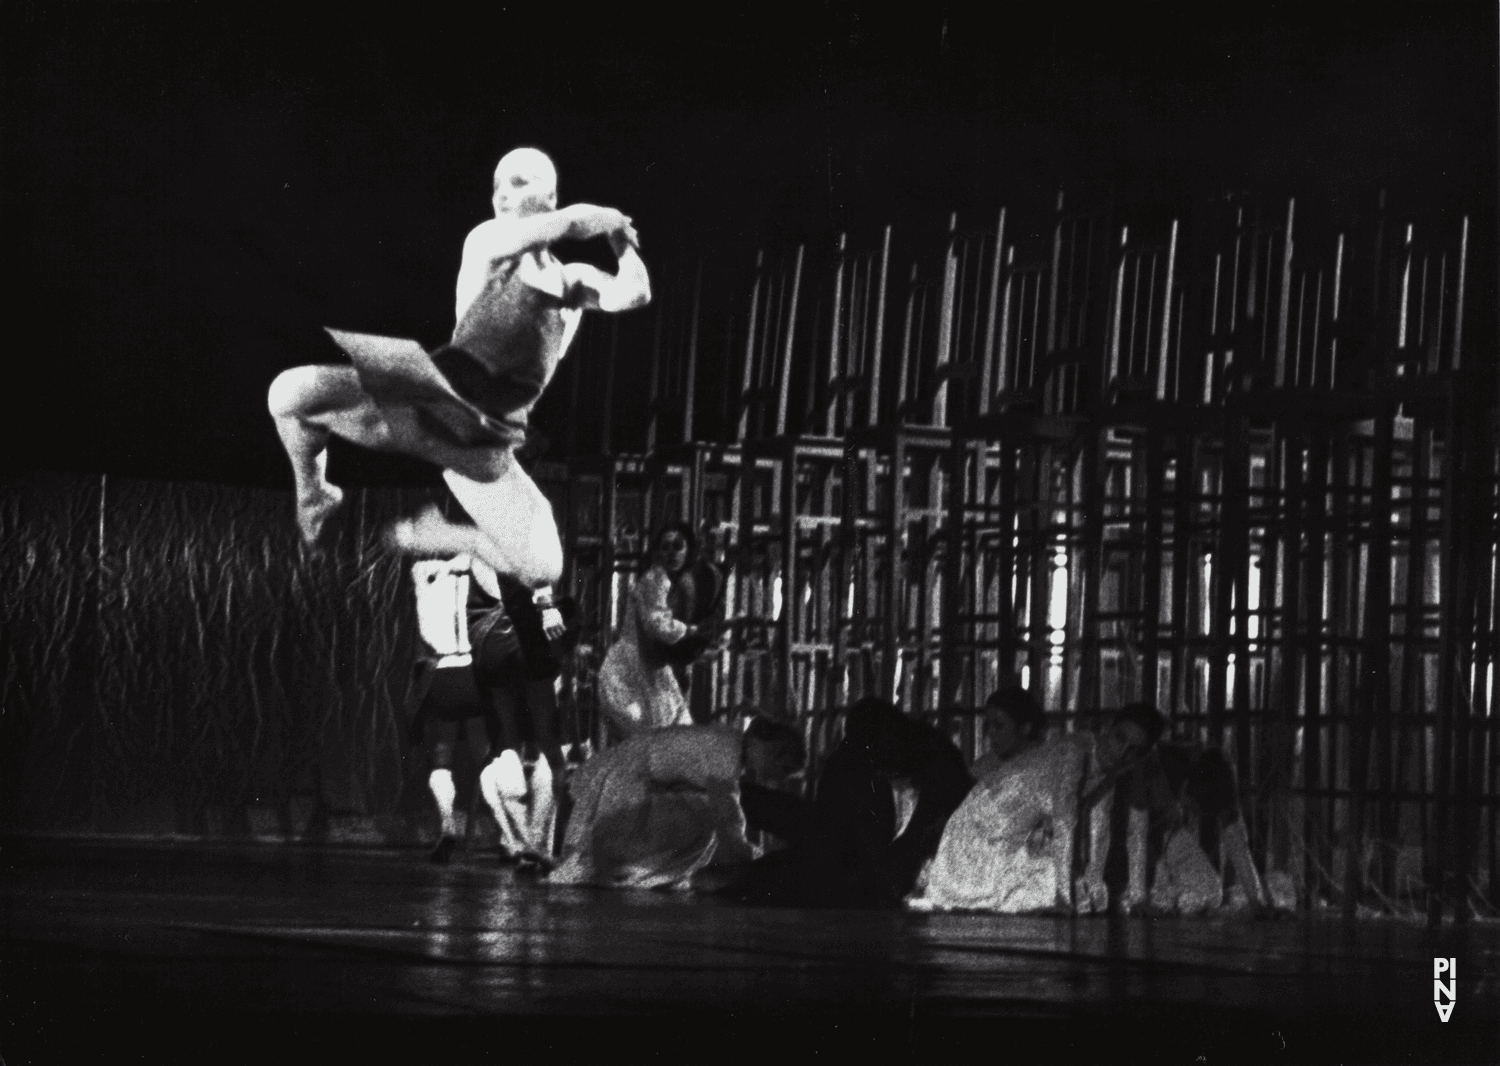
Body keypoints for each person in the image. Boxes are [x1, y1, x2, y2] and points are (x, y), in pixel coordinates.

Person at [266, 147, 649, 627]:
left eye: (519, 182)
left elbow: (635, 292)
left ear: (550, 196)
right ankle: (315, 493)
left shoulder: (574, 283)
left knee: (543, 570)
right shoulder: (487, 242)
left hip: (484, 441)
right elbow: (571, 224)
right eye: (497, 185)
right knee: (288, 394)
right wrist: (600, 217)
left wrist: (619, 240)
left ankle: (446, 534)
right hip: (433, 402)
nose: (502, 194)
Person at [908, 702, 1164, 914]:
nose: (1121, 753)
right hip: (979, 829)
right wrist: (1062, 898)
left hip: (1013, 837)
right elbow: (1065, 824)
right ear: (1108, 729)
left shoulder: (1109, 768)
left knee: (1081, 890)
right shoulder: (1074, 753)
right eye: (1120, 739)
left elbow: (1100, 829)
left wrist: (1102, 891)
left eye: (1133, 750)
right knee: (1057, 883)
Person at [733, 697, 972, 908]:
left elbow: (918, 834)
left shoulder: (935, 761)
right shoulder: (854, 759)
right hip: (847, 857)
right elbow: (828, 828)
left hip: (858, 869)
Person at [546, 718, 805, 890]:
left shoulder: (730, 745)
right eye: (782, 768)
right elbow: (727, 812)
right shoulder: (726, 751)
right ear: (771, 750)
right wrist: (750, 855)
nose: (777, 778)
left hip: (638, 775)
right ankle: (631, 872)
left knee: (702, 816)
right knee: (703, 819)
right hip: (629, 777)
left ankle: (637, 872)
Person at [405, 554, 522, 864]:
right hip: (470, 673)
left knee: (442, 759)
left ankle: (448, 827)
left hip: (443, 673)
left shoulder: (424, 571)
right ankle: (507, 838)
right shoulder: (479, 566)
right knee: (485, 757)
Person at [467, 555, 577, 868]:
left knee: (524, 756)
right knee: (529, 757)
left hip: (509, 670)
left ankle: (526, 840)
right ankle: (528, 841)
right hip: (519, 673)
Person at [1113, 735, 1276, 914]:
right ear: (1185, 789)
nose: (1195, 816)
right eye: (1194, 808)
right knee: (1141, 890)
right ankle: (1137, 894)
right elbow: (1136, 834)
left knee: (1210, 893)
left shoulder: (1221, 780)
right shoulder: (1151, 765)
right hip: (1121, 840)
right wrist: (1138, 898)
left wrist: (1257, 901)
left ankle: (1160, 895)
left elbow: (1236, 841)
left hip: (1163, 834)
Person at [596, 523, 713, 736]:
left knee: (675, 730)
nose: (671, 553)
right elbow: (658, 626)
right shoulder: (655, 579)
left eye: (677, 546)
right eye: (665, 547)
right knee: (662, 732)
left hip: (651, 666)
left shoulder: (677, 583)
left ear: (688, 551)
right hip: (632, 667)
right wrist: (691, 630)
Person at [969, 683, 1047, 780]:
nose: (991, 732)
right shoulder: (984, 769)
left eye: (998, 726)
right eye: (988, 725)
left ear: (1025, 728)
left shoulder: (1045, 768)